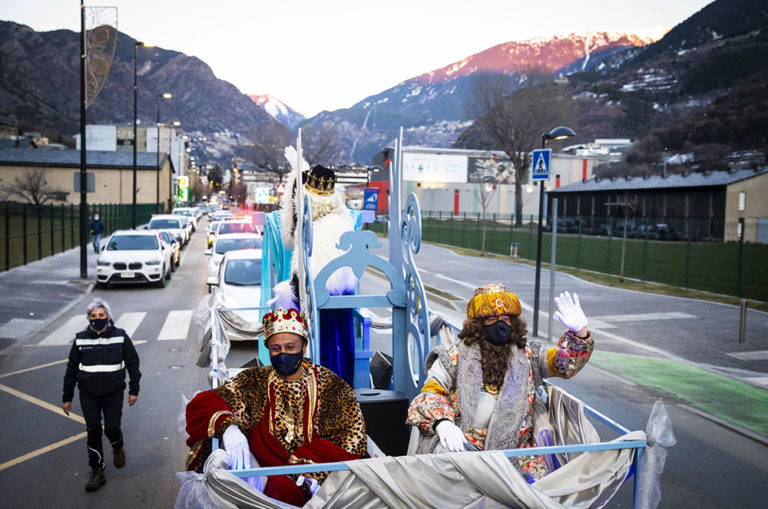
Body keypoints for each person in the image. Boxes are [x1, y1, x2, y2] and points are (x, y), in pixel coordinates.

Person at [406, 283, 594, 483]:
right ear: (477, 324)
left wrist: (580, 333)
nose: (500, 324)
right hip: (465, 444)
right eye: (491, 318)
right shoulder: (453, 356)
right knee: (445, 469)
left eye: (505, 318)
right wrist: (443, 423)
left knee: (540, 487)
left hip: (516, 452)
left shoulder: (529, 356)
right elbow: (431, 392)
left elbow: (563, 364)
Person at [185, 308, 367, 506]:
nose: (283, 354)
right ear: (268, 350)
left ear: (304, 347)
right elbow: (203, 403)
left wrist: (314, 466)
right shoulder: (254, 381)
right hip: (261, 478)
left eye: (290, 347)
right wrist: (229, 428)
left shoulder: (330, 385)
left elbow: (351, 438)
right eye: (276, 348)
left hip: (315, 482)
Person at [62, 297, 141, 492]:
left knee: (112, 428)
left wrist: (134, 390)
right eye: (93, 315)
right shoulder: (80, 339)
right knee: (93, 430)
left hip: (113, 393)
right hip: (88, 393)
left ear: (108, 317)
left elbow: (133, 363)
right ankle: (97, 471)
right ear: (88, 318)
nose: (97, 318)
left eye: (101, 315)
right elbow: (71, 369)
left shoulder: (120, 336)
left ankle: (117, 445)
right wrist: (67, 397)